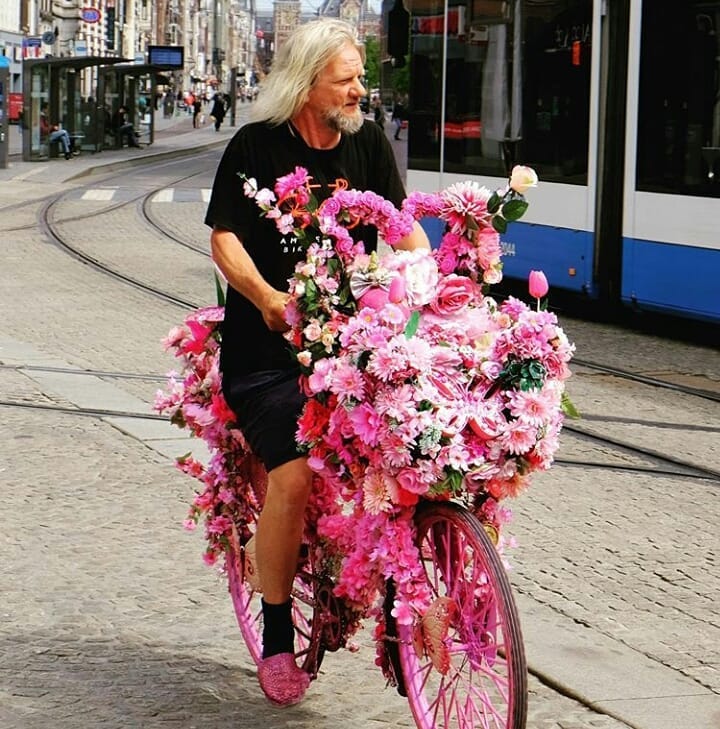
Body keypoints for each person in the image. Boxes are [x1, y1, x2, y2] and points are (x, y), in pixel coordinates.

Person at [205, 18, 430, 708]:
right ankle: (277, 637)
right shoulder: (256, 145)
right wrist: (269, 297)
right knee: (296, 476)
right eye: (349, 77)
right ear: (308, 85)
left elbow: (402, 222)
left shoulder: (364, 143)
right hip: (270, 356)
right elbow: (225, 238)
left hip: (354, 348)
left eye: (360, 75)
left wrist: (430, 274)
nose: (363, 88)